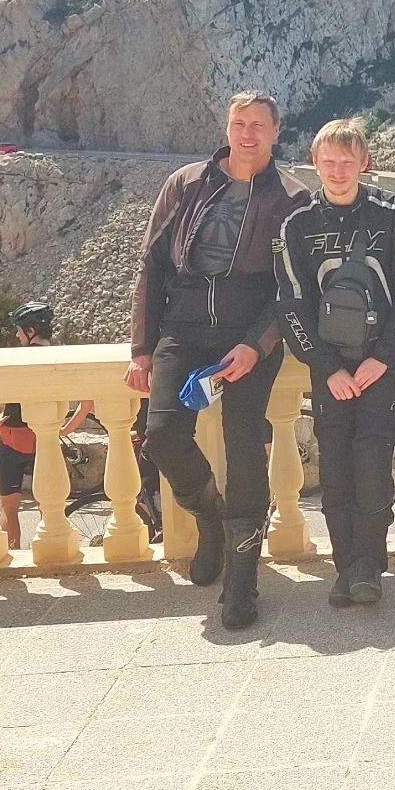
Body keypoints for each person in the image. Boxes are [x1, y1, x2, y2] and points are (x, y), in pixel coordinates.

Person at [126, 91, 309, 629]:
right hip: (183, 327)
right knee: (162, 436)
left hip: (249, 333)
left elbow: (292, 286)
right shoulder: (187, 182)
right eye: (238, 123)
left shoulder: (291, 197)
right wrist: (142, 347)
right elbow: (151, 264)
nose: (247, 134)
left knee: (245, 448)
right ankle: (210, 518)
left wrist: (256, 343)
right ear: (227, 128)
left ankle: (242, 581)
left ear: (276, 132)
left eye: (258, 125)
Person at [275, 118, 395, 607]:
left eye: (348, 161)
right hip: (331, 367)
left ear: (365, 162)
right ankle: (345, 566)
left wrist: (384, 358)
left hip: (382, 363)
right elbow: (291, 304)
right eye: (329, 161)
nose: (338, 171)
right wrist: (327, 368)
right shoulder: (297, 225)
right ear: (315, 163)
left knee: (372, 461)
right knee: (336, 464)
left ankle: (369, 565)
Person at [0, 302, 95, 550]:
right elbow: (87, 403)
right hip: (45, 441)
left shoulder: (18, 359)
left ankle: (14, 555)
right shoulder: (61, 359)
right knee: (50, 505)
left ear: (30, 331)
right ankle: (51, 551)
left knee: (9, 507)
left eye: (19, 330)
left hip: (13, 441)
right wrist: (65, 430)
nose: (17, 335)